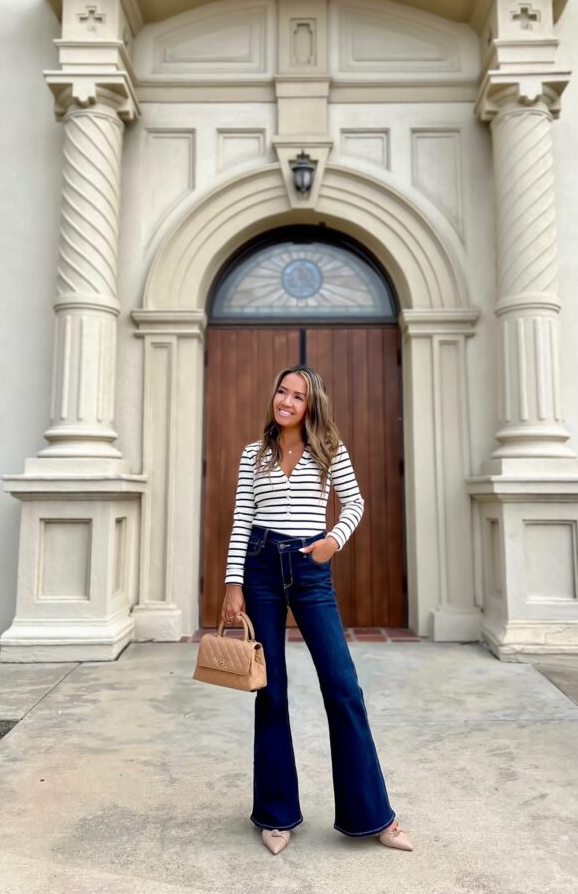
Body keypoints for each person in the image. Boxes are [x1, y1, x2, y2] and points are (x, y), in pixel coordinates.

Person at [220, 365, 413, 855]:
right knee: (271, 691)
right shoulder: (253, 455)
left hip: (310, 570)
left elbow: (355, 504)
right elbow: (242, 519)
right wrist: (232, 582)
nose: (285, 400)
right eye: (281, 390)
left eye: (297, 395)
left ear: (312, 405)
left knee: (343, 687)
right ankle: (275, 814)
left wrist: (333, 542)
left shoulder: (330, 452)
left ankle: (375, 817)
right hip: (261, 569)